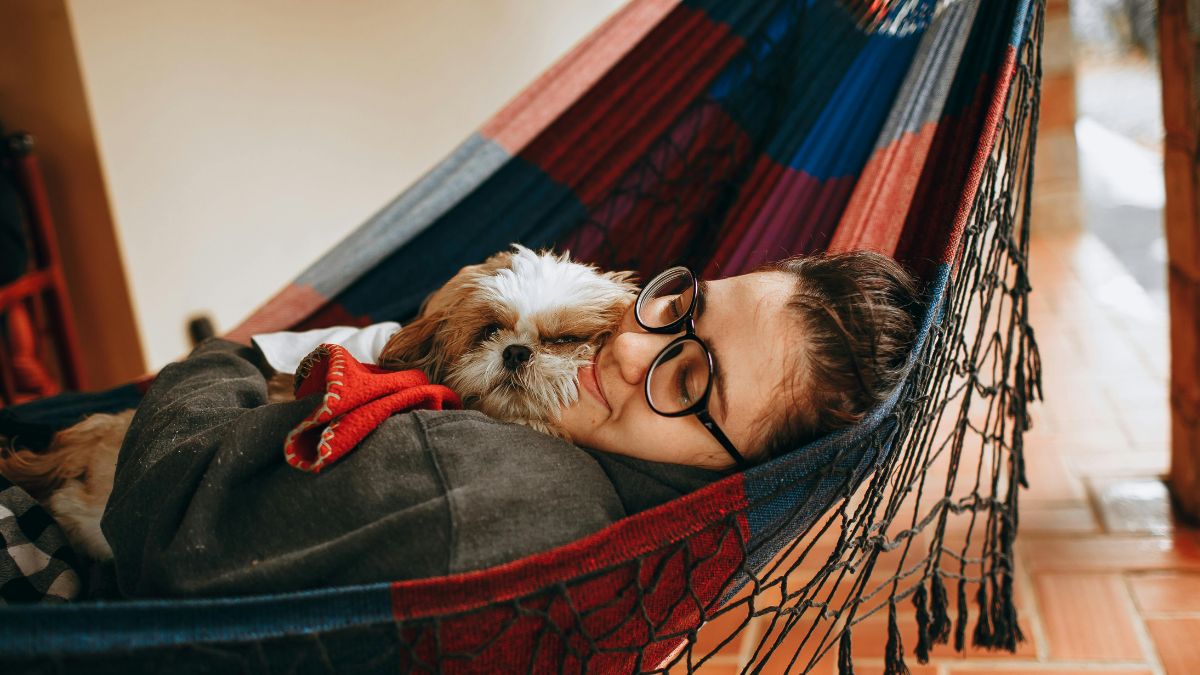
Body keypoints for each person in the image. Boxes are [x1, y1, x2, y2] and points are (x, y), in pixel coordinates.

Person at [99, 250, 919, 598]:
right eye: (683, 304)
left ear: (748, 476)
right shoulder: (620, 501)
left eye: (692, 377)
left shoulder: (480, 489)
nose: (631, 343)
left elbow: (161, 519)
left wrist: (221, 359)